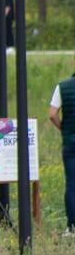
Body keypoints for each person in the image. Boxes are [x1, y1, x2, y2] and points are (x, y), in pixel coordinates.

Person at [49, 62, 75, 233]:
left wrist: (63, 128)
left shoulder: (62, 86)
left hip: (70, 142)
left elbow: (52, 114)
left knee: (72, 183)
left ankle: (72, 226)